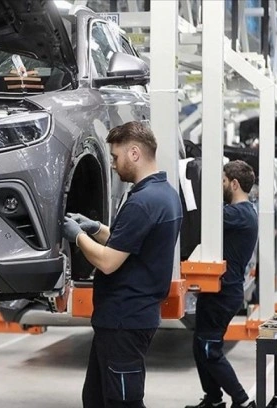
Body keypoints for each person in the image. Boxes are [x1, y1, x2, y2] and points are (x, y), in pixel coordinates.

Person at [62, 121, 183, 408]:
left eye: (116, 157)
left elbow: (108, 262)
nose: (113, 165)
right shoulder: (164, 194)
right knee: (95, 399)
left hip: (125, 321)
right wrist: (95, 228)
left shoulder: (143, 202)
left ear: (134, 153)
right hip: (121, 318)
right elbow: (129, 243)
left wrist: (77, 236)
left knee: (123, 402)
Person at [185, 160, 258, 408]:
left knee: (209, 349)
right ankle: (214, 399)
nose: (220, 186)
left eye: (223, 182)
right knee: (200, 346)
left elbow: (206, 216)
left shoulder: (240, 214)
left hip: (224, 294)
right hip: (218, 291)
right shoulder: (241, 212)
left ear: (234, 184)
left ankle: (243, 400)